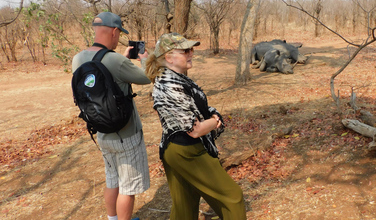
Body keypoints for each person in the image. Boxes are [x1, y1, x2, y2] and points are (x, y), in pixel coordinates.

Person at [144, 32, 246, 220]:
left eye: (191, 49)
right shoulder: (168, 84)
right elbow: (195, 129)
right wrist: (215, 121)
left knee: (184, 208)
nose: (192, 53)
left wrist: (210, 116)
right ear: (169, 57)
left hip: (178, 149)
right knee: (233, 198)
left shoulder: (178, 78)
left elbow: (200, 109)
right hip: (187, 151)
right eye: (185, 50)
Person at [72, 12, 151, 220]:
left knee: (112, 180)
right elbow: (146, 77)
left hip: (101, 132)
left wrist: (121, 60)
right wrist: (144, 59)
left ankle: (112, 219)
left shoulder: (78, 58)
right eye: (119, 33)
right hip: (126, 134)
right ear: (114, 31)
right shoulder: (115, 60)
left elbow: (101, 80)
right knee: (128, 188)